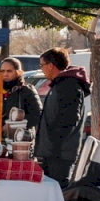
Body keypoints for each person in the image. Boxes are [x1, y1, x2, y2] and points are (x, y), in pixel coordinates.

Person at [34, 47, 91, 188]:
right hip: (52, 152)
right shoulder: (60, 84)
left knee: (58, 192)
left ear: (51, 65)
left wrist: (54, 145)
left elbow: (70, 120)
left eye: (42, 65)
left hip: (60, 154)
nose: (41, 69)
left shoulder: (69, 85)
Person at [1, 57, 42, 130]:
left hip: (21, 137)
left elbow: (37, 115)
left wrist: (14, 125)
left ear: (19, 72)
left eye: (9, 71)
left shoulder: (26, 90)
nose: (5, 74)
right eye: (2, 71)